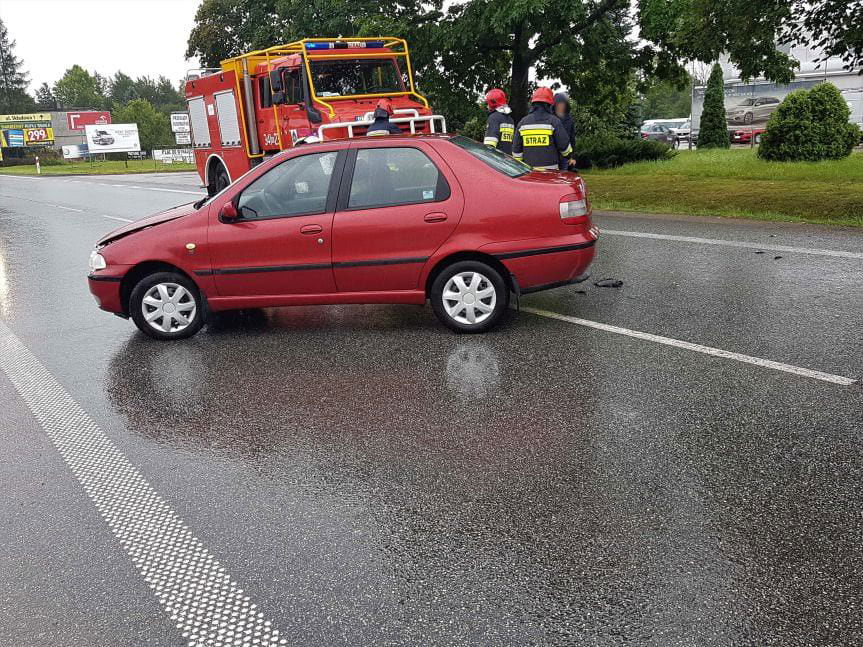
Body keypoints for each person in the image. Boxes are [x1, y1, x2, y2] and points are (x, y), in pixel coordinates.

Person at [512, 87, 572, 170]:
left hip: (529, 173)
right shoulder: (554, 121)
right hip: (551, 172)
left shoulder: (522, 123)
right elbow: (565, 148)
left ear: (533, 103)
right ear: (549, 104)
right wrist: (568, 156)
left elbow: (516, 152)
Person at [482, 88, 515, 155]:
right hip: (507, 158)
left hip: (495, 158)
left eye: (488, 103)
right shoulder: (510, 119)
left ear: (492, 103)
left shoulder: (494, 118)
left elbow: (489, 144)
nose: (487, 106)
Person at [553, 92, 577, 170]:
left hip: (565, 156)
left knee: (564, 175)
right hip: (553, 155)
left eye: (563, 104)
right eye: (559, 104)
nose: (561, 106)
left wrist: (572, 157)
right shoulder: (550, 118)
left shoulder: (569, 119)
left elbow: (572, 138)